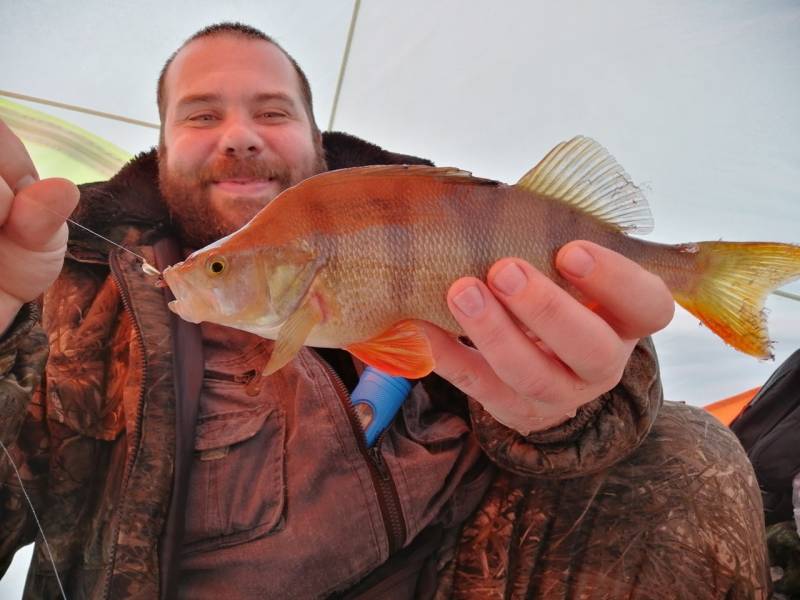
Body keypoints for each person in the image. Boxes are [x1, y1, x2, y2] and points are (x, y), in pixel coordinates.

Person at [0, 22, 770, 599]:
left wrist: (569, 407)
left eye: (272, 111)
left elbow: (603, 397)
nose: (238, 136)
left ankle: (702, 276)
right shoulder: (57, 291)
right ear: (159, 148)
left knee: (687, 448)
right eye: (200, 116)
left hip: (464, 569)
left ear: (317, 140)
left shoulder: (430, 203)